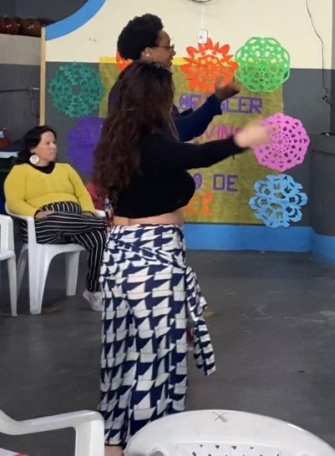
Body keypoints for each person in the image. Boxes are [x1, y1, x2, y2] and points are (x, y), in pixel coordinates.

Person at [92, 62, 271, 455]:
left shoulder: (121, 139)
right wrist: (242, 139)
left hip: (124, 256)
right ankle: (146, 443)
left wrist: (216, 102)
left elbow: (183, 135)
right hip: (151, 262)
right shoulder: (151, 145)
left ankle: (114, 443)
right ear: (154, 100)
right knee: (154, 359)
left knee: (125, 355)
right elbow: (198, 155)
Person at [2, 125, 108, 311]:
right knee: (59, 217)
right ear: (33, 148)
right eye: (47, 143)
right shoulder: (20, 171)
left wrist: (87, 213)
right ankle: (108, 223)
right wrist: (35, 213)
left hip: (75, 223)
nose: (53, 146)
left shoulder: (65, 169)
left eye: (54, 142)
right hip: (42, 226)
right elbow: (13, 202)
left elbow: (82, 194)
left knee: (99, 237)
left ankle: (93, 289)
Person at [109, 13, 240, 142]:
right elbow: (178, 132)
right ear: (148, 52)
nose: (173, 52)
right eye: (168, 47)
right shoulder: (142, 87)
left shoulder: (132, 82)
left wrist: (197, 108)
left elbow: (171, 125)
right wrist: (216, 100)